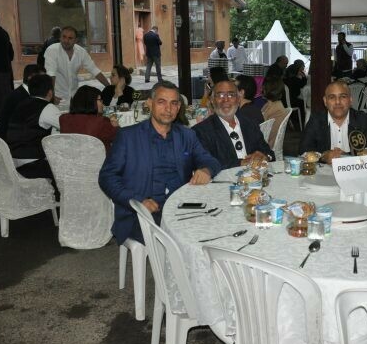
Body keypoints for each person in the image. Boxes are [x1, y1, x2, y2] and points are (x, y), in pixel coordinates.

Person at [99, 81, 221, 245]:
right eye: (162, 102)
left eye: (174, 103)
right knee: (188, 239)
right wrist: (138, 201)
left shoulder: (187, 136)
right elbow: (107, 177)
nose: (168, 109)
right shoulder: (128, 137)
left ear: (179, 107)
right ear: (150, 104)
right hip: (142, 213)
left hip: (181, 208)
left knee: (217, 226)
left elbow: (210, 160)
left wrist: (206, 170)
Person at [194, 80, 274, 170]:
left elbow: (269, 153)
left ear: (238, 99)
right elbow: (205, 163)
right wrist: (241, 163)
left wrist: (265, 157)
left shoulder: (250, 124)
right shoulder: (201, 131)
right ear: (212, 100)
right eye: (220, 95)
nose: (225, 100)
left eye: (231, 95)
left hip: (254, 176)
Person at [299, 81, 367, 163]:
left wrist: (365, 153)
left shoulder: (362, 119)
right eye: (332, 97)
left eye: (343, 97)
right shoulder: (316, 120)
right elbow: (303, 151)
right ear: (325, 101)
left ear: (350, 100)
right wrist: (324, 156)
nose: (337, 102)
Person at [5, 74, 61, 181]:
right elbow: (68, 126)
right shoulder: (47, 107)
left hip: (11, 160)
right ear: (50, 92)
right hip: (31, 163)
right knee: (67, 168)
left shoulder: (21, 104)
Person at [44, 26, 109, 105]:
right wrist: (51, 96)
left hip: (74, 98)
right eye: (64, 37)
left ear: (76, 40)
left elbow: (94, 70)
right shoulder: (52, 50)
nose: (66, 40)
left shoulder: (81, 52)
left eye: (70, 38)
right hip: (57, 98)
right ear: (60, 37)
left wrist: (110, 88)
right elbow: (51, 75)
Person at [59, 86, 118, 154]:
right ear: (91, 102)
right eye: (100, 100)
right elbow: (118, 137)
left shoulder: (64, 119)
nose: (102, 103)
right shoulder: (101, 122)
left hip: (72, 158)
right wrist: (116, 126)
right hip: (99, 159)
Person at [0, 64, 43, 140]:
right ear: (30, 77)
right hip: (9, 141)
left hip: (8, 136)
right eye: (41, 79)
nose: (44, 82)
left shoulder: (21, 92)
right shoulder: (23, 98)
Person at [261, 76, 290, 148]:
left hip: (266, 145)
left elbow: (265, 133)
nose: (261, 89)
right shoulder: (272, 104)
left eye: (263, 87)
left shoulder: (275, 109)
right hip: (265, 140)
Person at [283, 59, 307, 124]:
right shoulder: (295, 79)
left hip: (284, 100)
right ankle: (302, 121)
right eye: (303, 65)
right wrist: (304, 77)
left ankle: (295, 120)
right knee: (303, 102)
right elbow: (302, 84)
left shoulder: (288, 75)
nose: (304, 67)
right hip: (291, 101)